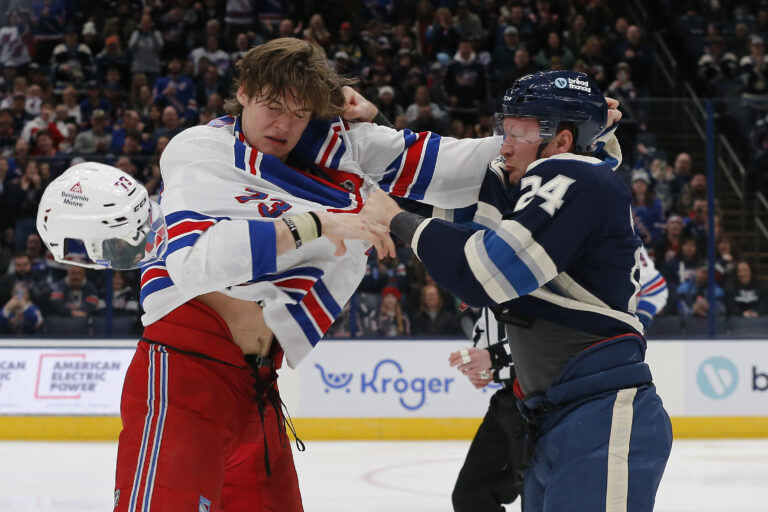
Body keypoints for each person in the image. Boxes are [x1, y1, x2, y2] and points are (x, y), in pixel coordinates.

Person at [38, 37, 502, 511]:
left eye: (300, 113)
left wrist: (554, 141)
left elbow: (459, 165)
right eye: (272, 106)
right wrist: (317, 222)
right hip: (184, 374)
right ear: (242, 92)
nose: (283, 124)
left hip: (259, 388)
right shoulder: (201, 149)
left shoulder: (343, 150)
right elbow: (194, 261)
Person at [362, 70, 673, 512]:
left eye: (519, 132)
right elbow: (462, 207)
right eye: (502, 130)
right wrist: (374, 121)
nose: (503, 145)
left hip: (599, 416)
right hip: (555, 415)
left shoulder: (579, 178)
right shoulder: (543, 190)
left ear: (562, 142)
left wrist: (398, 221)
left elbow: (484, 272)